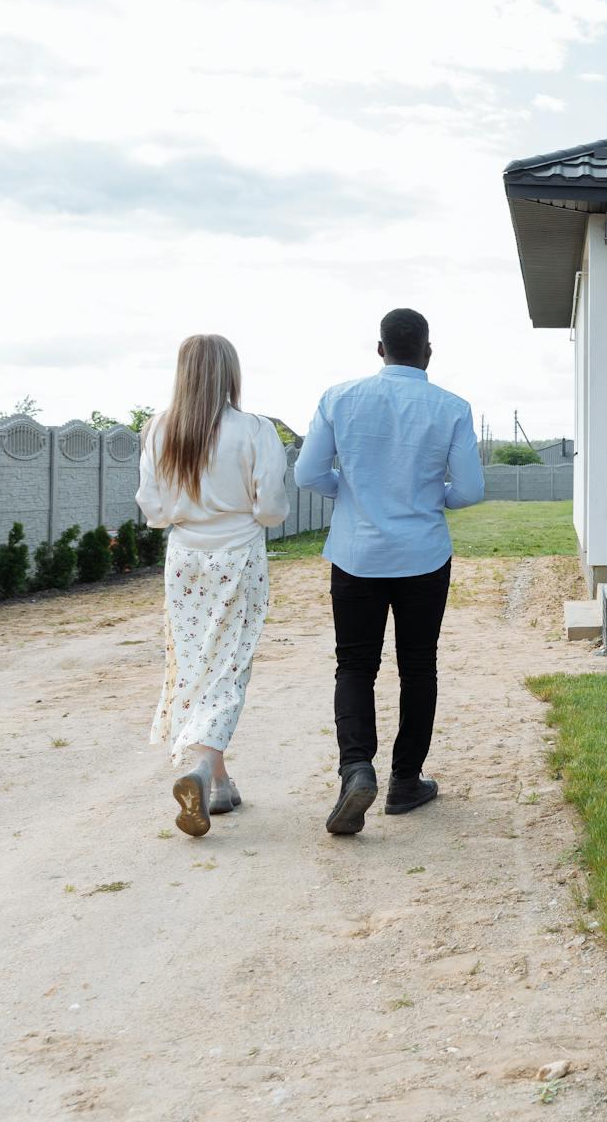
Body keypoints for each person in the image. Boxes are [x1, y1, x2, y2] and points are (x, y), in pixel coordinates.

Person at [295, 307, 483, 837]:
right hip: (423, 554)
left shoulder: (338, 398)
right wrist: (430, 497)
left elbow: (309, 473)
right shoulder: (452, 407)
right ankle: (405, 782)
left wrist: (351, 494)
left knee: (354, 666)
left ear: (379, 349)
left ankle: (356, 768)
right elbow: (469, 490)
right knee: (418, 665)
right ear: (428, 351)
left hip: (356, 553)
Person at [136, 334, 289, 838]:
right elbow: (271, 509)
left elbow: (154, 511)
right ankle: (201, 770)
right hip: (238, 556)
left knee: (194, 662)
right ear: (230, 372)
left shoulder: (159, 429)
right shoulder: (253, 430)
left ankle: (218, 786)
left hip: (184, 560)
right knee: (228, 665)